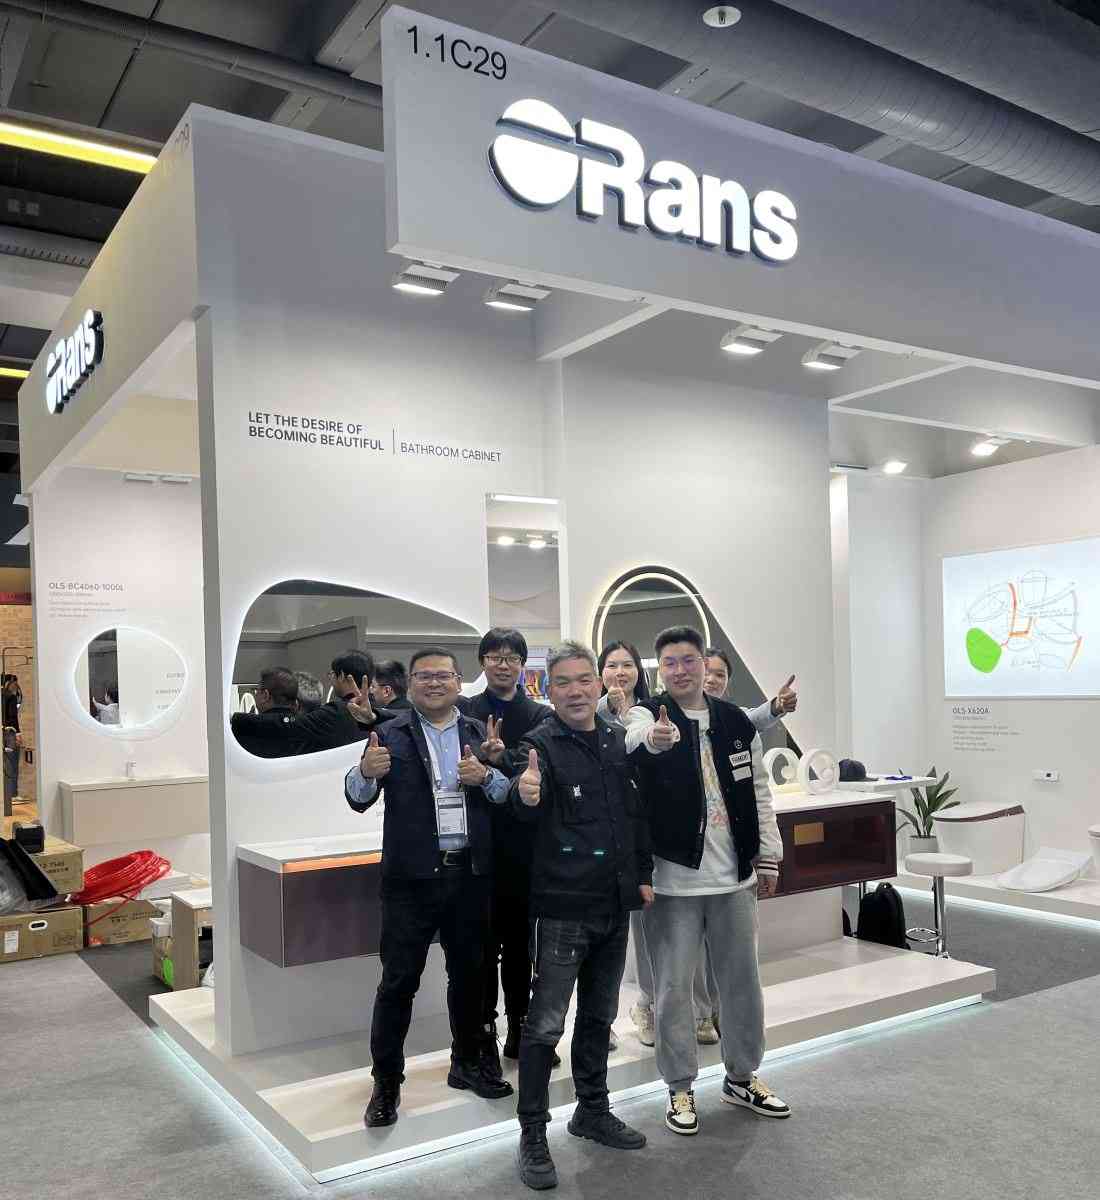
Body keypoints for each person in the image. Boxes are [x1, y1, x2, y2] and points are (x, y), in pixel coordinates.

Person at [626, 625, 789, 1136]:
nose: (680, 670)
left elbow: (759, 792)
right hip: (672, 884)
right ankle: (679, 1086)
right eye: (669, 662)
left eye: (688, 660)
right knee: (674, 990)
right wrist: (654, 740)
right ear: (660, 670)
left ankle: (742, 1076)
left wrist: (769, 856)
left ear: (704, 664)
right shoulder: (647, 714)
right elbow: (634, 739)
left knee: (742, 985)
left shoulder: (735, 721)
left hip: (734, 880)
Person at [344, 647, 514, 1128]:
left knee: (472, 978)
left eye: (443, 675)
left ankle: (467, 1063)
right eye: (424, 676)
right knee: (399, 982)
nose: (434, 683)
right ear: (410, 684)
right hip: (411, 880)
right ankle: (386, 1082)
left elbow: (504, 795)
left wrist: (488, 775)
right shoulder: (390, 732)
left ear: (459, 682)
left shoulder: (480, 733)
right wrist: (365, 773)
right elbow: (356, 796)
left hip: (469, 876)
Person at [511, 641, 652, 1191]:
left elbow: (632, 817)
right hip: (563, 908)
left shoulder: (615, 739)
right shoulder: (538, 746)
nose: (575, 691)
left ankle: (592, 1110)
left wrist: (641, 876)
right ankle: (532, 1132)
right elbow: (523, 809)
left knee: (600, 1016)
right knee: (546, 1023)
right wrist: (524, 795)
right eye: (563, 682)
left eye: (583, 679)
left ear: (599, 684)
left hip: (614, 903)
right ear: (549, 690)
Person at [458, 628, 553, 1064]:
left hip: (523, 846)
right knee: (481, 948)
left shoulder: (539, 714)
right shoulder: (464, 710)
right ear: (482, 662)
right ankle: (484, 1033)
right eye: (494, 656)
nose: (503, 664)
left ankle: (520, 1029)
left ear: (522, 664)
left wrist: (502, 757)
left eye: (512, 657)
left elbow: (542, 770)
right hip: (476, 843)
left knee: (519, 946)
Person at [295, 650, 389, 752]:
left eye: (332, 674)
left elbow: (289, 728)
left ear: (342, 676)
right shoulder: (383, 711)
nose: (331, 679)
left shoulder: (334, 712)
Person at [704, 647, 798, 723]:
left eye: (720, 675)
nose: (711, 680)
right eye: (704, 673)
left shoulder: (730, 716)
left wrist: (777, 705)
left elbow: (751, 719)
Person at [230, 667, 302, 758]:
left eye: (257, 690)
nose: (255, 694)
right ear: (296, 703)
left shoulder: (244, 729)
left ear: (265, 695)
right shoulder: (306, 728)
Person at [2, 675, 21, 818]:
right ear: (10, 683)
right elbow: (13, 716)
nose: (16, 686)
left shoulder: (2, 696)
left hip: (3, 732)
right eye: (15, 683)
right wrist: (18, 733)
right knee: (12, 764)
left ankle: (7, 797)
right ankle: (12, 795)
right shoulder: (11, 697)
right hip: (10, 733)